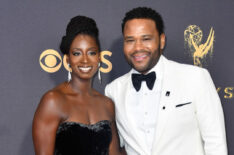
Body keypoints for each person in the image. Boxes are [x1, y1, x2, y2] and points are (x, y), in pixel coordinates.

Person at [105, 7, 227, 155]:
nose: (138, 48)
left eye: (146, 39)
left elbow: (216, 142)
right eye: (130, 40)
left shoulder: (195, 77)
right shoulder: (113, 91)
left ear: (162, 40)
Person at [33, 15, 123, 155]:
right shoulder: (53, 101)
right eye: (77, 53)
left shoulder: (107, 104)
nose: (85, 60)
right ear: (68, 59)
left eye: (91, 52)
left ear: (99, 57)